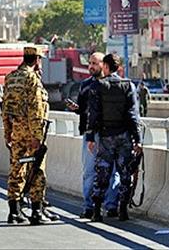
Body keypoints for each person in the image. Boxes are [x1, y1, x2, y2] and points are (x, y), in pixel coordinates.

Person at [86, 53, 142, 223]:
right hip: (124, 136)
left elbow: (93, 115)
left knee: (102, 174)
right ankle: (122, 209)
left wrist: (90, 137)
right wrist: (138, 139)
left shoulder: (98, 86)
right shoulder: (128, 85)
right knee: (125, 174)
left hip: (105, 137)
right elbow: (133, 114)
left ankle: (97, 211)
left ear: (106, 66)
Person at [65, 52, 120, 219]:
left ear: (105, 65)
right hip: (91, 134)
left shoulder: (115, 84)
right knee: (89, 171)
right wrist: (77, 109)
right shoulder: (86, 85)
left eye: (95, 63)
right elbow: (84, 110)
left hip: (110, 134)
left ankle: (111, 206)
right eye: (90, 63)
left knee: (113, 171)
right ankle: (88, 206)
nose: (91, 66)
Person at [1, 46, 49, 225]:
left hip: (16, 131)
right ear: (37, 60)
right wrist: (37, 136)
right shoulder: (32, 79)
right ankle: (36, 211)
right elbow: (36, 109)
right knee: (36, 169)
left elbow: (5, 108)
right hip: (30, 132)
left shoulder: (10, 77)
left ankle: (14, 212)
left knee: (16, 168)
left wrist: (7, 133)